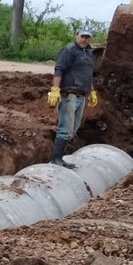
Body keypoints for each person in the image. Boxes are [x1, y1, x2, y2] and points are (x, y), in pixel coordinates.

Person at [46, 25, 98, 169]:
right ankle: (55, 159)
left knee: (72, 130)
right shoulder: (69, 50)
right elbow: (59, 70)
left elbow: (88, 75)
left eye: (87, 37)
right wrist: (55, 89)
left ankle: (60, 158)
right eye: (82, 36)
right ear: (76, 35)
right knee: (65, 129)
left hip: (81, 96)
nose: (84, 39)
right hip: (69, 95)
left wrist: (91, 92)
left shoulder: (89, 53)